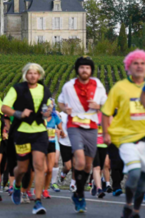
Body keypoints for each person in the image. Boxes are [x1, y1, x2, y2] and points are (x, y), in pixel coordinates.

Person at [1, 63, 52, 215]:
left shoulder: (45, 90)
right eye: (30, 73)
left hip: (40, 132)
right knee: (22, 168)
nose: (32, 76)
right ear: (25, 75)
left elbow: (49, 108)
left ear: (39, 75)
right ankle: (17, 185)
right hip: (22, 132)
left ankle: (37, 201)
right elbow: (4, 107)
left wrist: (47, 112)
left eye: (35, 73)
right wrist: (19, 113)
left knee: (38, 165)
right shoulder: (17, 89)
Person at [58, 56, 107, 212]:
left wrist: (98, 105)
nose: (84, 70)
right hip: (74, 126)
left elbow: (106, 105)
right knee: (79, 160)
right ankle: (80, 195)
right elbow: (60, 101)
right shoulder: (68, 86)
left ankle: (79, 191)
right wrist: (65, 109)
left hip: (92, 127)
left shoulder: (98, 85)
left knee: (87, 164)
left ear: (91, 70)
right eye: (81, 67)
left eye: (87, 67)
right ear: (77, 69)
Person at [102, 49, 145, 218]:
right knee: (133, 173)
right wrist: (106, 133)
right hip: (125, 137)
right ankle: (127, 204)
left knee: (142, 180)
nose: (140, 66)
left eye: (143, 63)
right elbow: (106, 112)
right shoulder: (119, 87)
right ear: (129, 66)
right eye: (136, 63)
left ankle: (134, 210)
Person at [42, 99, 62, 199]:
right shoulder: (40, 117)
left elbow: (61, 129)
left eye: (51, 107)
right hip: (41, 144)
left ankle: (45, 190)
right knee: (44, 168)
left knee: (50, 169)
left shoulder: (55, 117)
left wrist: (59, 131)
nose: (49, 109)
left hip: (52, 144)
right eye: (47, 107)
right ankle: (39, 187)